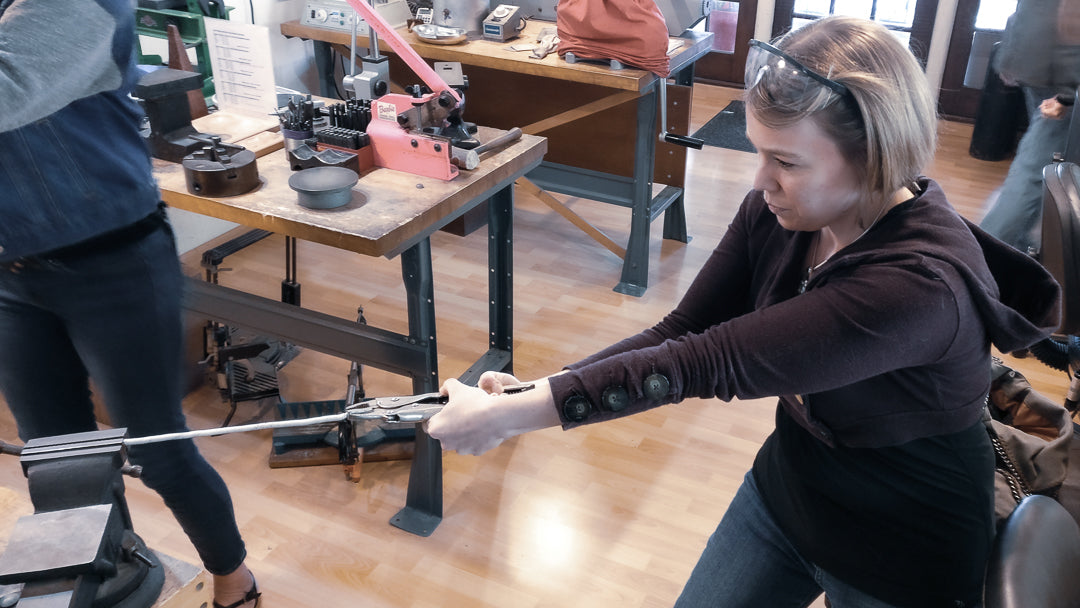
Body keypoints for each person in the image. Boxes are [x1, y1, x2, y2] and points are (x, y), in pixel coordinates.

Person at [427, 15, 1062, 608]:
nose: (761, 181)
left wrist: (520, 416)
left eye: (785, 161)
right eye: (761, 152)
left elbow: (708, 361)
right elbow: (682, 329)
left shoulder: (918, 288)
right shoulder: (786, 210)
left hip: (903, 538)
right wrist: (537, 391)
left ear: (876, 154)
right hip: (794, 486)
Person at [0, 2, 258, 607]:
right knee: (59, 462)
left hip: (113, 261)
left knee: (159, 449)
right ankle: (110, 569)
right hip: (9, 271)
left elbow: (10, 86)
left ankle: (234, 579)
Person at [979, 0, 1080, 253]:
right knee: (1035, 169)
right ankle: (985, 254)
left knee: (1043, 162)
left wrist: (1012, 54)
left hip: (1038, 58)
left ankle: (1019, 245)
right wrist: (1070, 94)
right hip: (1065, 70)